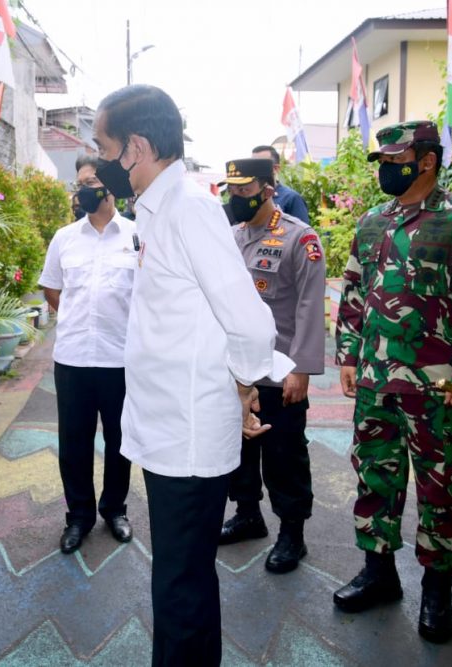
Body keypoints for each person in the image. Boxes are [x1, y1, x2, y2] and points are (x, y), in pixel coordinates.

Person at [93, 84, 292, 666]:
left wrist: (249, 379)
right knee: (182, 583)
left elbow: (249, 321)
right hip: (166, 428)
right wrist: (240, 382)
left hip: (186, 435)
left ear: (135, 147)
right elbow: (195, 321)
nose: (102, 161)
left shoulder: (190, 210)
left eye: (105, 147)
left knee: (180, 588)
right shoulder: (156, 213)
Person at [334, 121, 452, 644]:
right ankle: (378, 573)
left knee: (440, 488)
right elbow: (354, 291)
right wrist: (347, 353)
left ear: (426, 160)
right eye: (382, 159)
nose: (386, 166)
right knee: (375, 479)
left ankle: (437, 590)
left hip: (440, 385)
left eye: (396, 157)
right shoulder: (371, 221)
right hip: (376, 381)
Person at [217, 158, 326, 575]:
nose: (236, 198)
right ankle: (248, 514)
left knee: (284, 455)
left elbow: (310, 306)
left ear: (267, 188)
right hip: (236, 368)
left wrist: (301, 368)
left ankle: (292, 533)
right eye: (231, 191)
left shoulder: (300, 239)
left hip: (280, 370)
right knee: (239, 450)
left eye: (244, 190)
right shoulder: (229, 237)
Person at [39, 155, 136, 554]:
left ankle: (114, 509)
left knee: (120, 440)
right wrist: (82, 317)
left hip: (121, 359)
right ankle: (78, 516)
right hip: (74, 358)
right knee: (74, 442)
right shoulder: (64, 237)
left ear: (111, 185)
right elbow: (52, 288)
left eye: (91, 180)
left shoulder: (136, 235)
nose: (83, 189)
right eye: (79, 182)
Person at [251, 145, 310, 223]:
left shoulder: (291, 198)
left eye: (260, 166)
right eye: (252, 166)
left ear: (276, 169)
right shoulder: (250, 199)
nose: (255, 170)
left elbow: (302, 232)